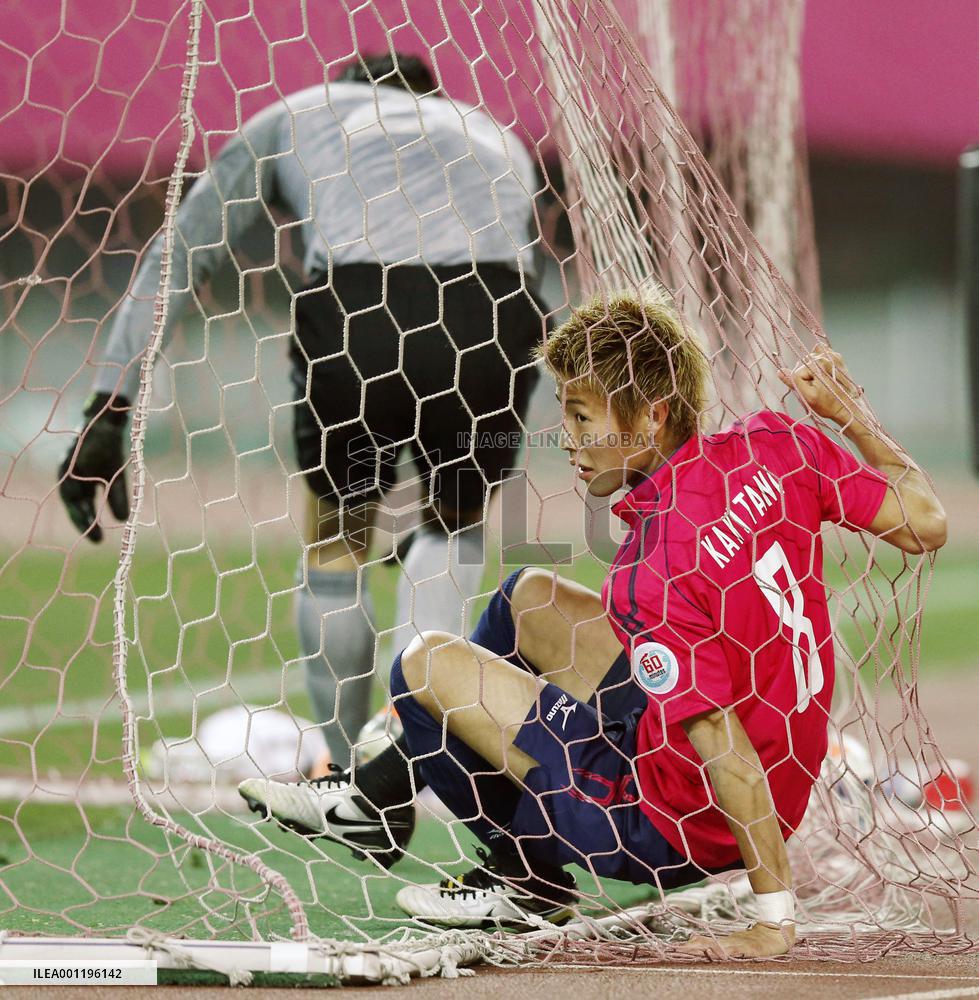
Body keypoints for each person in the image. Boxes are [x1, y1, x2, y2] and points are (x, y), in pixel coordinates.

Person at [239, 294, 946, 957]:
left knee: (425, 664)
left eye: (581, 416)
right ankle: (383, 791)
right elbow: (925, 524)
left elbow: (723, 747)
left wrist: (772, 916)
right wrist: (849, 413)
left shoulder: (655, 569)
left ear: (651, 418)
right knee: (530, 598)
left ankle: (523, 877)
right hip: (781, 769)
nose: (567, 438)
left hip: (675, 824)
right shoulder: (778, 442)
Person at [56, 53, 546, 770]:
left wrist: (111, 406)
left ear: (349, 84)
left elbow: (181, 253)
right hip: (495, 319)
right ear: (433, 96)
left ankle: (350, 771)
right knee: (452, 527)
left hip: (362, 314)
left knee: (338, 544)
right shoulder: (494, 133)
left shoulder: (300, 109)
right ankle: (423, 763)